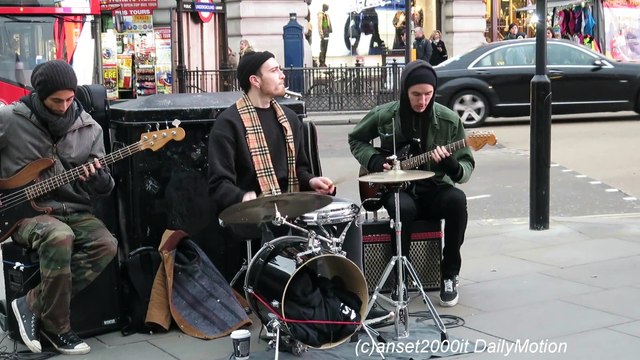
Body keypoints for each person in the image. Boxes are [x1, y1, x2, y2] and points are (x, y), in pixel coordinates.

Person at [207, 51, 390, 323]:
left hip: (292, 201)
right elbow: (218, 184)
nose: (282, 75)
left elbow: (301, 171)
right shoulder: (229, 124)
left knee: (349, 214)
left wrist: (313, 181)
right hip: (254, 211)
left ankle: (354, 298)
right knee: (278, 222)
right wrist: (244, 195)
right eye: (274, 70)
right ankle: (291, 302)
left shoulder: (289, 119)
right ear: (255, 80)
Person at [0, 60, 118, 355]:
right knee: (58, 235)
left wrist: (100, 179)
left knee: (106, 244)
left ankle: (30, 303)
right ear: (39, 95)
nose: (65, 106)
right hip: (23, 214)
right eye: (56, 100)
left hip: (73, 209)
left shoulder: (90, 128)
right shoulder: (9, 120)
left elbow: (104, 189)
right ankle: (59, 329)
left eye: (70, 99)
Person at [348, 60, 475, 307]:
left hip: (434, 189)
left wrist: (451, 165)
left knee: (457, 200)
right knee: (402, 208)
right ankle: (400, 278)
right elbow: (356, 140)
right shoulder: (385, 115)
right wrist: (373, 160)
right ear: (404, 91)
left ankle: (449, 275)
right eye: (416, 94)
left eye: (428, 94)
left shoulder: (448, 120)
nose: (422, 100)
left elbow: (466, 167)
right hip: (396, 189)